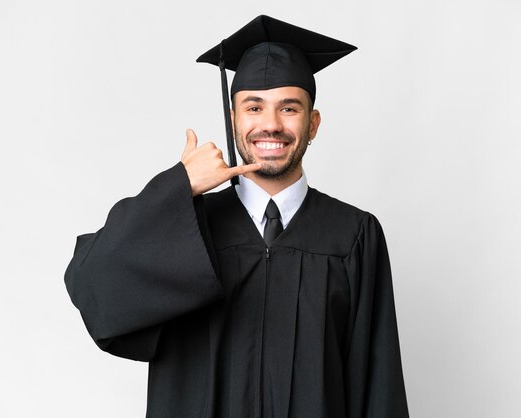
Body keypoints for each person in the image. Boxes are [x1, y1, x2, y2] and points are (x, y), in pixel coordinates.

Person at [65, 15, 409, 418]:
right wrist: (179, 188)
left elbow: (377, 385)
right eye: (254, 107)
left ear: (312, 124)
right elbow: (92, 286)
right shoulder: (187, 226)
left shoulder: (353, 236)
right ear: (234, 121)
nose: (270, 124)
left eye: (289, 108)